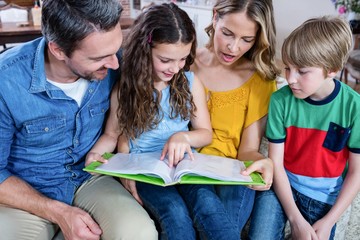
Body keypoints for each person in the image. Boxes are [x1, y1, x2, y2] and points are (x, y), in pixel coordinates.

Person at [85, 3, 246, 240]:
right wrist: (95, 154)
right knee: (175, 213)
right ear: (144, 50)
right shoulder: (125, 90)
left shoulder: (190, 83)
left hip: (186, 167)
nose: (175, 68)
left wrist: (183, 137)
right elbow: (112, 134)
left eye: (182, 59)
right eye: (166, 60)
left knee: (209, 207)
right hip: (146, 170)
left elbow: (205, 133)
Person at [0, 0, 157, 239]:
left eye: (116, 50)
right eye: (100, 57)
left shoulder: (115, 63)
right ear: (58, 50)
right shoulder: (6, 81)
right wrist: (59, 212)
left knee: (139, 233)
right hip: (24, 190)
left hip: (90, 177)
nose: (116, 63)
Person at [249, 16, 360, 240]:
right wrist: (295, 219)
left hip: (325, 199)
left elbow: (357, 172)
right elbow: (276, 164)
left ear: (332, 69)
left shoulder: (354, 107)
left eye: (302, 71)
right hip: (282, 189)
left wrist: (330, 221)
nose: (290, 79)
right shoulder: (281, 101)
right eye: (288, 68)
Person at [191, 0, 280, 234]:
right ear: (214, 17)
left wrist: (264, 161)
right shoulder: (186, 62)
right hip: (188, 166)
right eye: (227, 33)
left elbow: (247, 150)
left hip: (233, 170)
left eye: (247, 40)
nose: (233, 47)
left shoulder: (260, 80)